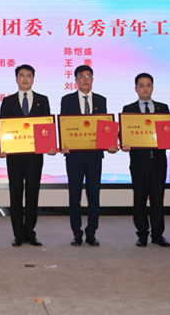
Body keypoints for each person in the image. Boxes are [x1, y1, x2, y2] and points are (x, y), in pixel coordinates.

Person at [60, 65, 117, 247]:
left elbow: (105, 127)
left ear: (92, 79)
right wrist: (63, 144)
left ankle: (91, 232)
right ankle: (76, 233)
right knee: (74, 195)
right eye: (81, 76)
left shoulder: (101, 100)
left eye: (88, 76)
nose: (85, 79)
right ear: (75, 80)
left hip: (94, 156)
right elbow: (64, 126)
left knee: (93, 195)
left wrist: (110, 143)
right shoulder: (67, 100)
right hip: (74, 156)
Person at [0, 64, 55, 247]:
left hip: (34, 156)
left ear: (33, 79)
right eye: (21, 75)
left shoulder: (42, 100)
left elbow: (46, 127)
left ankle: (30, 232)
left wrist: (50, 146)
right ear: (16, 79)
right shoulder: (7, 101)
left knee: (32, 194)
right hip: (14, 156)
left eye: (28, 75)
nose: (25, 79)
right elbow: (3, 128)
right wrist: (2, 147)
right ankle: (18, 234)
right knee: (15, 194)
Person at [121, 73, 170, 247]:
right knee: (140, 199)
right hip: (139, 162)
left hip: (158, 162)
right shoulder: (128, 109)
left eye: (148, 85)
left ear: (153, 87)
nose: (145, 89)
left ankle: (158, 234)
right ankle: (142, 234)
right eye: (141, 85)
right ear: (136, 88)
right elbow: (123, 133)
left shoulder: (163, 108)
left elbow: (169, 132)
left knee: (158, 200)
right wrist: (124, 143)